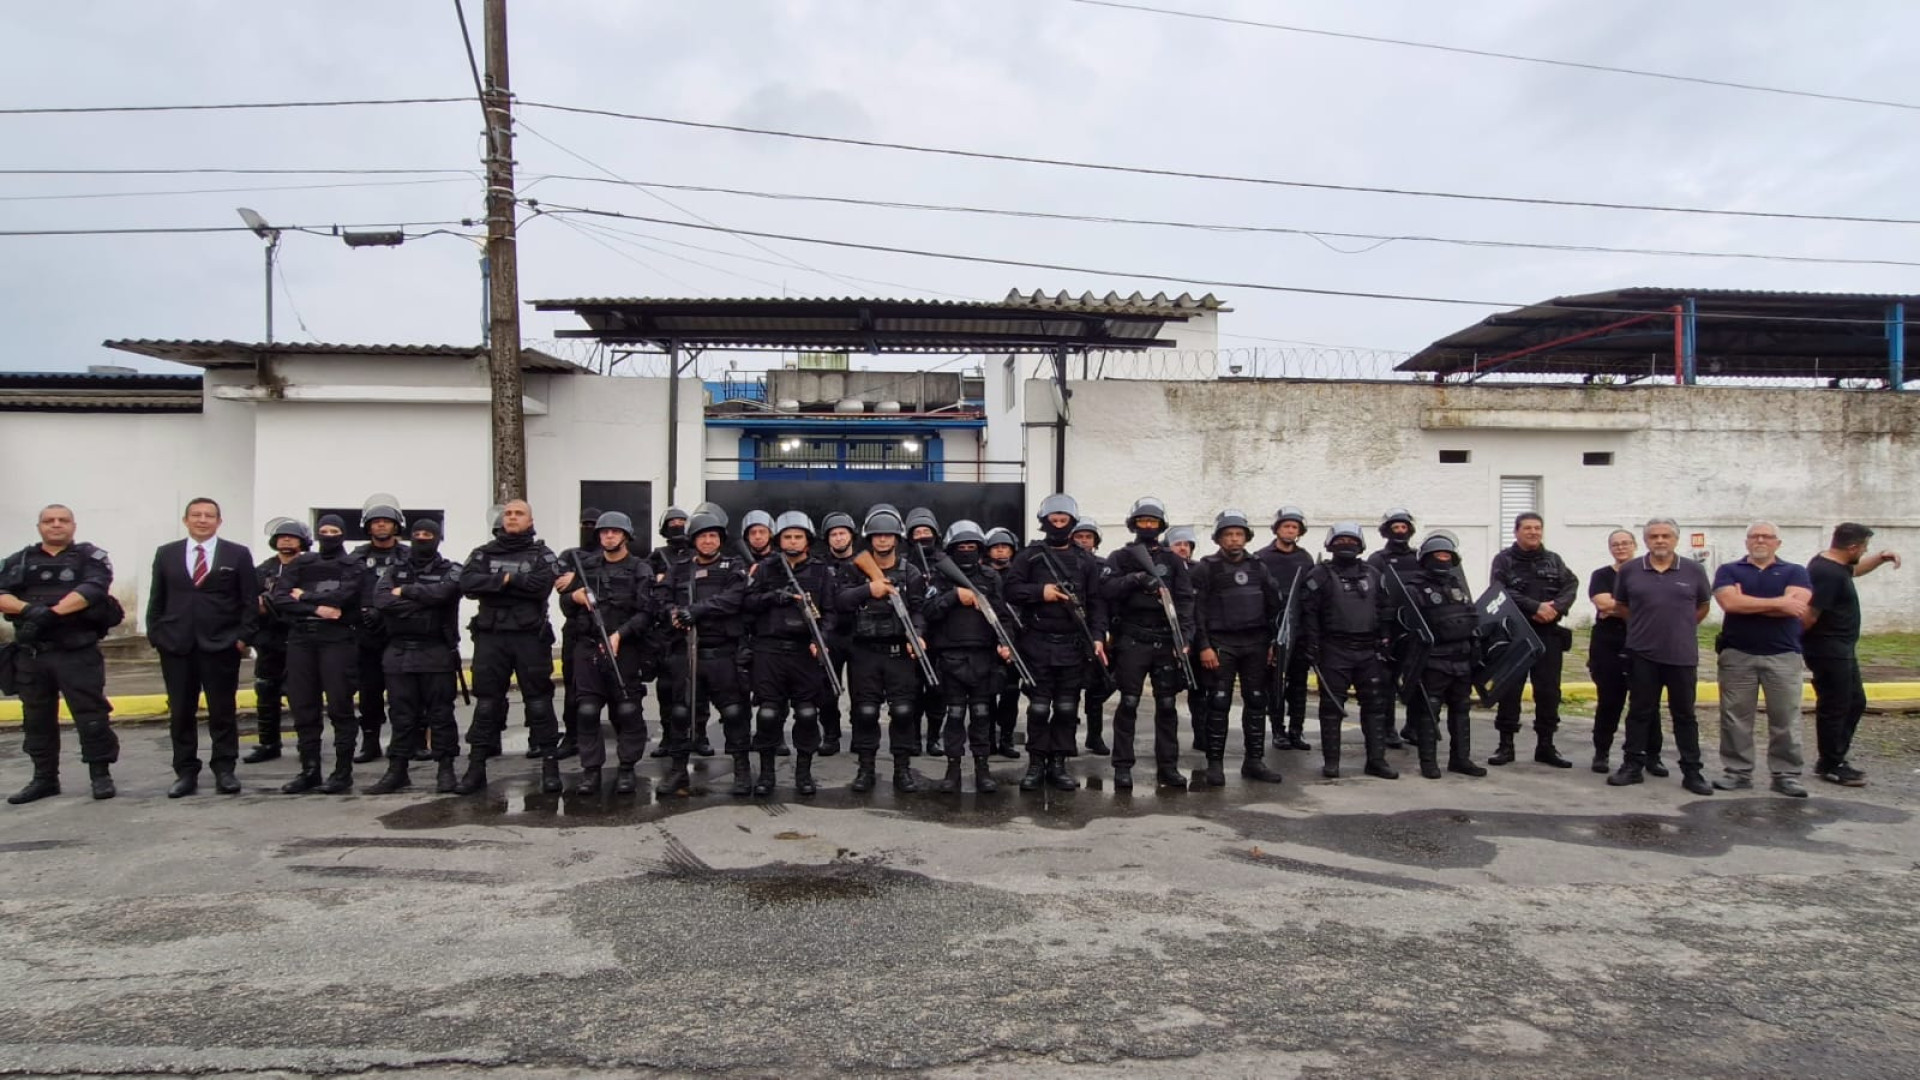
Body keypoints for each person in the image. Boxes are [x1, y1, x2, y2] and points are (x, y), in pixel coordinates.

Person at [1, 505, 120, 803]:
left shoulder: (90, 558)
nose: (56, 525)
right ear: (39, 526)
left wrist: (50, 615)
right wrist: (29, 610)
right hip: (34, 654)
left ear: (73, 525)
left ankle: (100, 776)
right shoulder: (19, 560)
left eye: (63, 520)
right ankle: (44, 779)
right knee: (36, 718)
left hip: (77, 652)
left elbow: (93, 590)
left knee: (91, 715)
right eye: (49, 521)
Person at [146, 497, 259, 797]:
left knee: (222, 710)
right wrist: (157, 635)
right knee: (181, 712)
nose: (202, 520)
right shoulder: (166, 554)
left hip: (221, 644)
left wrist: (243, 637)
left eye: (209, 515)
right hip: (176, 645)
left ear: (219, 522)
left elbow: (249, 600)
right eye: (196, 515)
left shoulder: (237, 554)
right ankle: (185, 771)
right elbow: (157, 598)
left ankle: (225, 769)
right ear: (186, 520)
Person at [455, 500, 562, 795]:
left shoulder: (542, 554)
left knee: (539, 702)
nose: (512, 517)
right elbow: (467, 584)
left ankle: (550, 768)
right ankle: (476, 769)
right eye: (509, 514)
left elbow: (540, 586)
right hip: (491, 637)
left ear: (530, 520)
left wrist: (501, 580)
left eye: (519, 514)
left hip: (530, 637)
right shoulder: (483, 553)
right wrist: (512, 580)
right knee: (487, 704)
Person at [644, 511, 753, 796]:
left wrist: (695, 610)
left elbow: (733, 600)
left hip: (722, 654)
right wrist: (673, 614)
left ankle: (741, 770)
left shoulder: (734, 565)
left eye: (713, 536)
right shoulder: (680, 568)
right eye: (703, 536)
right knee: (681, 713)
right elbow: (660, 597)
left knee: (733, 712)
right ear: (694, 540)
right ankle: (679, 771)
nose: (708, 541)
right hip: (686, 653)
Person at [1003, 494, 1107, 792]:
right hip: (1036, 643)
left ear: (1073, 523)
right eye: (1054, 520)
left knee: (1065, 708)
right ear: (1044, 522)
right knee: (1038, 708)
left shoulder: (1085, 560)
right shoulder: (1029, 556)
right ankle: (1036, 764)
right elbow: (1010, 591)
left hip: (1074, 645)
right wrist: (1041, 592)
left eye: (1064, 520)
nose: (1059, 524)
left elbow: (1097, 602)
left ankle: (1059, 764)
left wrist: (1098, 637)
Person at [1607, 517, 1714, 794]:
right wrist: (1646, 626)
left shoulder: (1693, 570)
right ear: (1646, 541)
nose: (1660, 541)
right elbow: (1621, 606)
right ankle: (1632, 765)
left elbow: (1703, 606)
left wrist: (1680, 626)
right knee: (1640, 712)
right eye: (1654, 536)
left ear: (1676, 539)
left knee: (1685, 716)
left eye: (1666, 536)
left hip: (1681, 655)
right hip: (1642, 653)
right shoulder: (1631, 570)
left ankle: (1692, 771)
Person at [1098, 497, 1197, 790]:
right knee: (1128, 703)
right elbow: (1107, 590)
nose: (1148, 526)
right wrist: (1137, 579)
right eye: (1143, 522)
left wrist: (1186, 638)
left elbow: (1186, 601)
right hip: (1132, 640)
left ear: (1161, 525)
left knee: (1167, 705)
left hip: (1166, 640)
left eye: (1153, 522)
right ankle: (1123, 767)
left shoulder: (1173, 560)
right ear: (1134, 525)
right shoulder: (1120, 557)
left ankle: (1168, 766)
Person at [832, 507, 930, 793]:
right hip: (864, 651)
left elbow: (918, 609)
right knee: (865, 711)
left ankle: (902, 770)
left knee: (902, 711)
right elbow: (839, 602)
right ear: (869, 538)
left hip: (899, 651)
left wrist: (918, 635)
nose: (883, 540)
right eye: (877, 536)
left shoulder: (909, 571)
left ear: (897, 539)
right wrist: (868, 590)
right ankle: (866, 769)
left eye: (888, 536)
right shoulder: (853, 567)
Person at [1712, 522, 1813, 798]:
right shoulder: (1728, 570)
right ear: (1746, 542)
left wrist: (1748, 603)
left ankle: (1786, 774)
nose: (1760, 540)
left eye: (1766, 537)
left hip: (1782, 655)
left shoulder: (1795, 571)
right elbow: (1730, 604)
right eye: (1754, 536)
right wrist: (1779, 602)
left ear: (1777, 543)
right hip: (1738, 655)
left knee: (1785, 718)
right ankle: (1737, 772)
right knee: (1735, 718)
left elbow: (1798, 607)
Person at [741, 512, 838, 796]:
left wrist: (822, 640)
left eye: (798, 536)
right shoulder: (765, 569)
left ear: (807, 540)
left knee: (807, 714)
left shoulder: (821, 572)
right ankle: (767, 773)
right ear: (779, 540)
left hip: (804, 653)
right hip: (768, 651)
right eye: (787, 537)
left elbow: (831, 613)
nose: (793, 541)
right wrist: (774, 597)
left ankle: (804, 773)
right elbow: (747, 604)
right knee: (769, 714)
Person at [364, 518, 463, 794]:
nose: (422, 538)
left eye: (428, 534)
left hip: (436, 651)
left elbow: (444, 593)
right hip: (398, 652)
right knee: (401, 715)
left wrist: (406, 592)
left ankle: (446, 769)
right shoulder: (395, 569)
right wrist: (422, 604)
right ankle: (397, 770)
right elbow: (382, 600)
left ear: (438, 538)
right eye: (417, 533)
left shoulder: (451, 569)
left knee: (441, 714)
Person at [559, 511, 655, 795]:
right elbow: (566, 605)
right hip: (587, 647)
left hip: (625, 648)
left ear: (625, 535)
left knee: (626, 710)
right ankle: (591, 770)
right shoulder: (585, 566)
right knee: (587, 711)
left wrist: (619, 634)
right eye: (604, 532)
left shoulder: (640, 569)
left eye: (614, 532)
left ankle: (626, 767)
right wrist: (572, 597)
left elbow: (647, 611)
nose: (608, 536)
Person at [269, 515, 365, 794]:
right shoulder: (302, 562)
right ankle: (309, 770)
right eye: (323, 531)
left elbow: (344, 598)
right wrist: (317, 609)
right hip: (301, 640)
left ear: (343, 534)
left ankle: (342, 772)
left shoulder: (352, 565)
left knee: (340, 706)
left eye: (334, 531)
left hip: (337, 640)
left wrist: (304, 596)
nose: (328, 535)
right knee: (303, 707)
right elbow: (280, 598)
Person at [1190, 509, 1284, 785]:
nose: (1234, 539)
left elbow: (1274, 608)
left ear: (1246, 537)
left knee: (1256, 700)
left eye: (1239, 534)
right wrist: (1204, 646)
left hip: (1255, 643)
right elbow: (1197, 612)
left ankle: (1254, 761)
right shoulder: (1206, 568)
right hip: (1221, 643)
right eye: (1228, 535)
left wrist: (1273, 643)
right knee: (1218, 703)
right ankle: (1215, 764)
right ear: (1219, 538)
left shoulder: (1258, 567)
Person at [1803, 522, 1900, 787]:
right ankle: (1831, 763)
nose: (1864, 551)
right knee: (1836, 705)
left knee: (1855, 701)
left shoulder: (1833, 565)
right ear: (1853, 547)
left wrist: (1879, 559)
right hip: (1828, 650)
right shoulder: (1827, 572)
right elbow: (1810, 615)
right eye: (1865, 547)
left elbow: (1854, 570)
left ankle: (1833, 758)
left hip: (1840, 649)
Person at [923, 521, 1015, 793]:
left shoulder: (990, 577)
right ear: (952, 549)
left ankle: (982, 768)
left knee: (981, 714)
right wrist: (953, 596)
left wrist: (1006, 644)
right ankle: (953, 769)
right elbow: (928, 612)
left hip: (983, 657)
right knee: (954, 715)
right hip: (951, 657)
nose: (966, 552)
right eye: (961, 547)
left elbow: (1002, 616)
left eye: (972, 547)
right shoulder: (940, 577)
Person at [1300, 522, 1396, 780]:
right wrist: (1312, 645)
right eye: (1340, 540)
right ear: (1330, 544)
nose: (1346, 545)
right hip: (1334, 649)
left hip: (1369, 650)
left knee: (1376, 707)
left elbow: (1385, 608)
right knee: (1331, 709)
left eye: (1351, 540)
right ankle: (1332, 762)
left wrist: (1386, 638)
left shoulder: (1373, 573)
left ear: (1361, 544)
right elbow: (1308, 613)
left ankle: (1376, 760)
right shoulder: (1319, 574)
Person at [1487, 512, 1577, 768]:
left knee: (1549, 692)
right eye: (1528, 528)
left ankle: (1546, 746)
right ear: (1516, 531)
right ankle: (1506, 746)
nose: (1533, 532)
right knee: (1510, 690)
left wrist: (1555, 608)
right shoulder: (1504, 560)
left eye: (1538, 528)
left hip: (1548, 634)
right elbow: (1500, 590)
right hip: (1515, 633)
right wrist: (1535, 606)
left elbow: (1571, 584)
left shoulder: (1553, 560)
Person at [1394, 534, 1486, 779]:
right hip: (1433, 659)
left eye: (1447, 556)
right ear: (1426, 559)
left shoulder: (1457, 586)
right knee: (1429, 711)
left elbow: (1471, 616)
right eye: (1439, 556)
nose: (1443, 560)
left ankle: (1461, 759)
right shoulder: (1414, 589)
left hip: (1462, 658)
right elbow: (1408, 628)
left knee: (1461, 710)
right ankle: (1428, 762)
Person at [246, 518, 310, 764]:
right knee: (265, 691)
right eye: (282, 536)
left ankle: (307, 744)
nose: (286, 540)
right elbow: (250, 603)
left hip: (300, 637)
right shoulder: (263, 570)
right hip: (269, 640)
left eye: (292, 536)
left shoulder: (310, 566)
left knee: (302, 694)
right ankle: (268, 743)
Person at [351, 501, 409, 764]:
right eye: (376, 522)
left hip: (399, 632)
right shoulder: (356, 558)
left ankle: (407, 742)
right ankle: (370, 742)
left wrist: (388, 612)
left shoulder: (409, 556)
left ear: (396, 525)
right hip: (367, 635)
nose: (381, 525)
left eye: (386, 521)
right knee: (369, 692)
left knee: (404, 692)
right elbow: (346, 591)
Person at [1586, 530, 1648, 774]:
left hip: (1641, 641)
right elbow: (1602, 603)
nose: (1621, 547)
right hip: (1608, 644)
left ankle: (1649, 756)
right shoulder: (1601, 575)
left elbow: (1654, 602)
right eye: (1616, 544)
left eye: (1625, 543)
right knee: (1609, 702)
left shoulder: (1647, 573)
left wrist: (1617, 607)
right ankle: (1601, 753)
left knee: (1645, 703)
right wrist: (1640, 607)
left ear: (1634, 545)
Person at [1255, 506, 1315, 753]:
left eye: (1294, 527)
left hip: (1300, 629)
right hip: (1273, 629)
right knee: (1275, 683)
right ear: (1277, 529)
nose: (1290, 531)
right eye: (1286, 526)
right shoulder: (1261, 557)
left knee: (1298, 684)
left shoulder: (1305, 558)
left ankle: (1296, 731)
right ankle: (1278, 730)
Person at [1367, 508, 1420, 749]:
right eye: (1395, 527)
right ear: (1387, 530)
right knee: (1387, 682)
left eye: (1403, 526)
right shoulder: (1377, 559)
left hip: (1417, 628)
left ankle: (1413, 726)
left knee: (1417, 678)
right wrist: (1381, 631)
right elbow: (1373, 595)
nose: (1400, 530)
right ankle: (1387, 728)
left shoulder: (1419, 557)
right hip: (1390, 628)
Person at [553, 506, 600, 763]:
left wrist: (579, 581)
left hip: (608, 627)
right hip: (576, 629)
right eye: (586, 524)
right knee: (573, 690)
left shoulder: (615, 554)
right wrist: (578, 585)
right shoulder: (569, 555)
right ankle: (572, 736)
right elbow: (561, 586)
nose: (590, 529)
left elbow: (619, 585)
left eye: (594, 524)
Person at [904, 506, 946, 757]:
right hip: (911, 633)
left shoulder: (945, 561)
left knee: (937, 689)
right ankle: (913, 738)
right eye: (917, 532)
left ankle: (933, 738)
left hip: (940, 634)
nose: (922, 536)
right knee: (912, 690)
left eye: (926, 531)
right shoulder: (905, 563)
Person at [818, 510, 860, 758]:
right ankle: (831, 735)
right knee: (826, 690)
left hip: (858, 634)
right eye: (833, 534)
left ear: (851, 535)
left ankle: (860, 735)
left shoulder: (866, 563)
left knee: (861, 690)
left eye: (842, 533)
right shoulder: (820, 565)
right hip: (830, 634)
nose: (838, 538)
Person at [1070, 517, 1112, 757]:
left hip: (1097, 632)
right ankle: (1068, 738)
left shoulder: (1103, 565)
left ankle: (1094, 737)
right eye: (1079, 536)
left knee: (1097, 689)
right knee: (1071, 691)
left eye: (1088, 537)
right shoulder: (1065, 562)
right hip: (1072, 633)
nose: (1084, 541)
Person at [983, 526, 1025, 760]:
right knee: (987, 693)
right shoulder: (980, 574)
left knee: (1011, 693)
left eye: (1005, 547)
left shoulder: (1019, 575)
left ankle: (1006, 738)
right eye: (996, 547)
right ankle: (988, 739)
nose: (1000, 552)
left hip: (1014, 640)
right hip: (987, 640)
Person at [1164, 524, 1205, 752]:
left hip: (1198, 637)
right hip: (1171, 637)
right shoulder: (1163, 570)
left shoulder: (1200, 569)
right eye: (1178, 544)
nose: (1183, 548)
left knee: (1199, 690)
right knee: (1167, 696)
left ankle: (1201, 736)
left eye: (1186, 544)